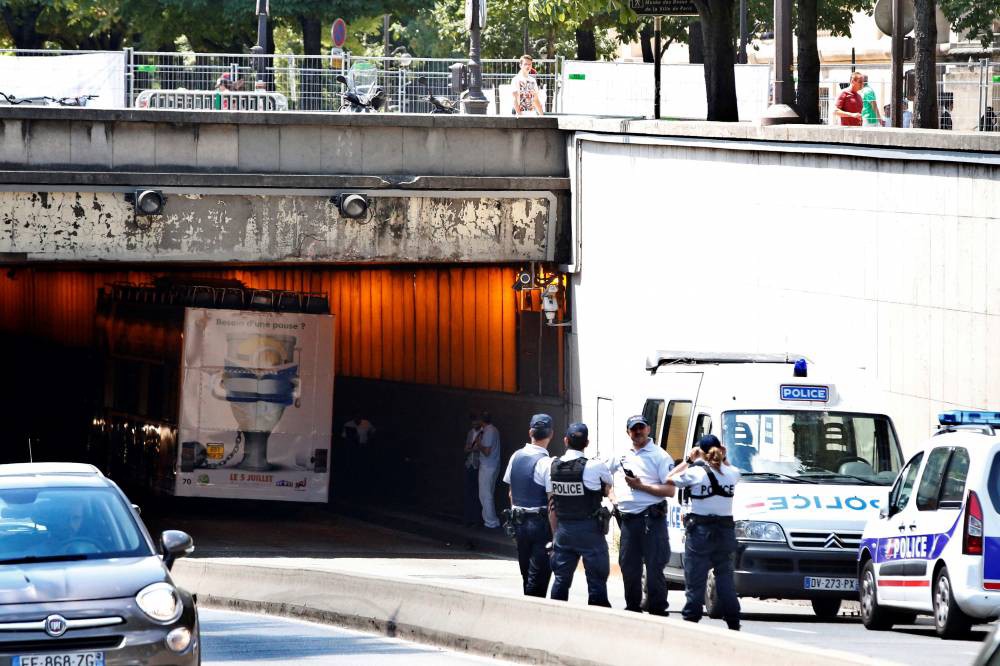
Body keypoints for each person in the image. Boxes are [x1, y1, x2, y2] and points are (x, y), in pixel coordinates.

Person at [667, 434, 742, 631]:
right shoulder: (732, 473)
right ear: (720, 450)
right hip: (725, 530)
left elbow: (669, 478)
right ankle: (733, 618)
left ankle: (692, 617)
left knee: (696, 575)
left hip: (701, 530)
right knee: (724, 575)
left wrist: (688, 461)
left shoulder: (695, 473)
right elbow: (727, 467)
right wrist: (724, 457)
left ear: (700, 451)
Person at [608, 415, 675, 615]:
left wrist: (641, 486)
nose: (637, 432)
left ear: (648, 429)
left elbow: (670, 491)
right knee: (628, 566)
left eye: (641, 427)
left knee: (654, 566)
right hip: (628, 520)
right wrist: (612, 496)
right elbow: (601, 473)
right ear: (628, 431)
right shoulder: (621, 454)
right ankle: (633, 608)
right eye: (633, 429)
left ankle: (657, 608)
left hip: (651, 519)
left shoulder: (660, 456)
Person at [546, 422, 613, 607]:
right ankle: (597, 621)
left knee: (560, 579)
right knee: (597, 580)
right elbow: (608, 482)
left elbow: (551, 499)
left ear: (566, 440)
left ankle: (554, 618)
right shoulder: (594, 466)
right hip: (589, 530)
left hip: (564, 530)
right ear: (587, 442)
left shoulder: (552, 465)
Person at [502, 413, 554, 597]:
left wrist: (515, 522)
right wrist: (556, 535)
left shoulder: (516, 456)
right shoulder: (546, 463)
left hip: (518, 521)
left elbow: (511, 493)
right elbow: (551, 503)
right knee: (538, 577)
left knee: (526, 574)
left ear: (530, 432)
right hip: (539, 524)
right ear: (551, 434)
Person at [475, 411, 502, 529]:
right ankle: (491, 520)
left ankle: (490, 521)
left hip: (487, 466)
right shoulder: (494, 430)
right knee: (488, 493)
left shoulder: (489, 431)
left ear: (482, 420)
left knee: (485, 494)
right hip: (493, 465)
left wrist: (478, 444)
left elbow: (486, 451)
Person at [463, 412, 483, 528]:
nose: (474, 423)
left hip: (478, 466)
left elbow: (480, 449)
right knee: (468, 492)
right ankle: (468, 519)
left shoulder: (483, 433)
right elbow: (466, 448)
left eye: (476, 420)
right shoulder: (470, 432)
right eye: (473, 421)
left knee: (477, 494)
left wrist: (472, 448)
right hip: (469, 465)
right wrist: (472, 448)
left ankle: (476, 520)